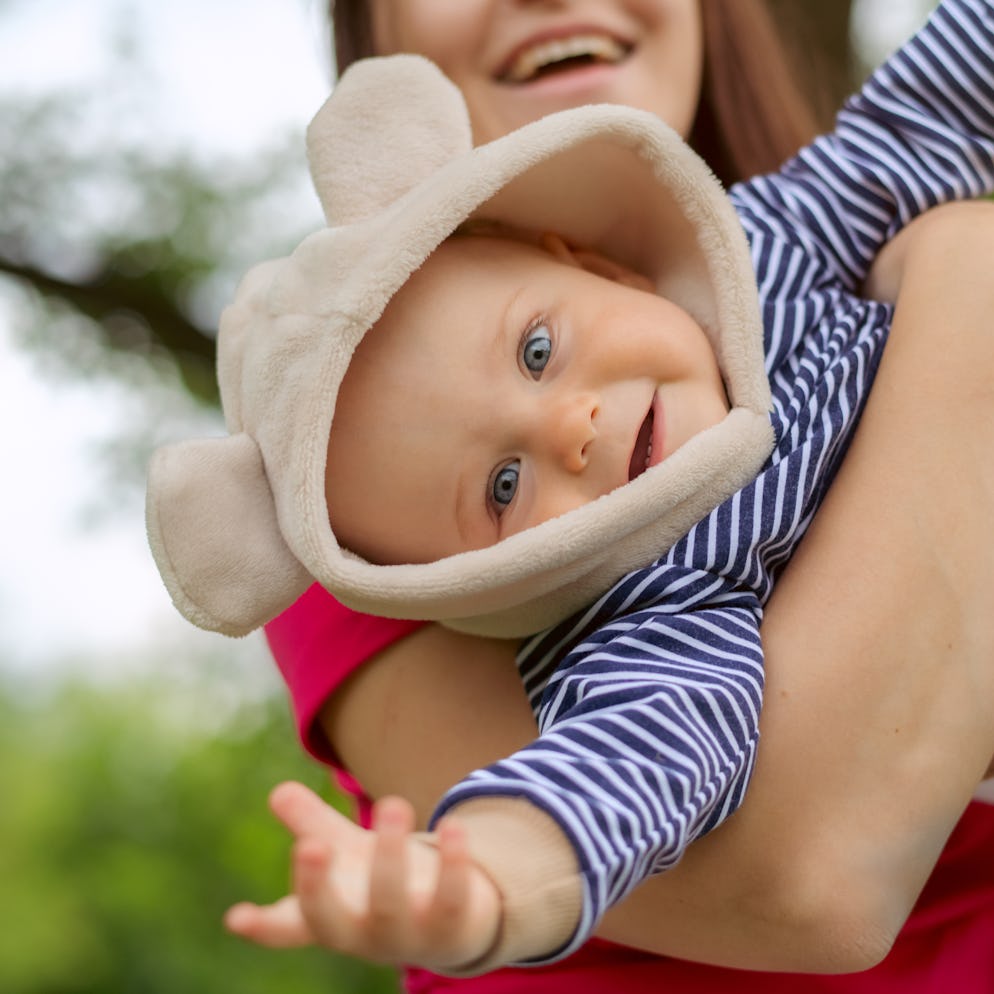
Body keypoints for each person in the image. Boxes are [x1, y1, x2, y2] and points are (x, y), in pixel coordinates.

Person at [144, 0, 994, 982]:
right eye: (503, 486)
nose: (568, 428)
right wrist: (481, 878)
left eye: (539, 349)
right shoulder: (642, 605)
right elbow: (647, 780)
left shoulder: (771, 243)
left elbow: (927, 113)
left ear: (590, 263)